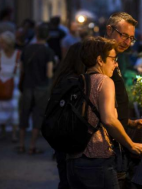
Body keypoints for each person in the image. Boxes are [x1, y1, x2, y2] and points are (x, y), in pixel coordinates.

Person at [67, 36, 142, 189]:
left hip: (74, 161)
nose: (116, 64)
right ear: (100, 60)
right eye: (113, 59)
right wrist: (130, 144)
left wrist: (129, 122)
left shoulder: (80, 80)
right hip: (96, 160)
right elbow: (109, 119)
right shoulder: (105, 81)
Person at [105, 12, 142, 188]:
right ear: (109, 29)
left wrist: (129, 122)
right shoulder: (98, 59)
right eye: (123, 35)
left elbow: (110, 107)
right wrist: (130, 143)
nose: (127, 42)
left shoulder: (114, 57)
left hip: (114, 143)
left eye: (131, 38)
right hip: (103, 149)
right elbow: (105, 116)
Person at [50, 42, 84, 189]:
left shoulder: (62, 77)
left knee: (64, 180)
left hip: (60, 138)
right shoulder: (75, 82)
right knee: (70, 181)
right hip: (70, 139)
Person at [18, 23, 55, 154]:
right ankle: (32, 146)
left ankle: (21, 144)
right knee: (38, 116)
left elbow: (21, 68)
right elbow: (49, 73)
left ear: (36, 34)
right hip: (42, 88)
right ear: (48, 36)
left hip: (27, 86)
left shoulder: (26, 49)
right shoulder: (48, 52)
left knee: (24, 114)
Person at [0, 31, 21, 141]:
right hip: (2, 81)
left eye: (2, 43)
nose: (0, 45)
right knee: (1, 107)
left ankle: (14, 133)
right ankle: (3, 131)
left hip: (14, 83)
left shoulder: (18, 54)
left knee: (14, 107)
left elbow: (21, 70)